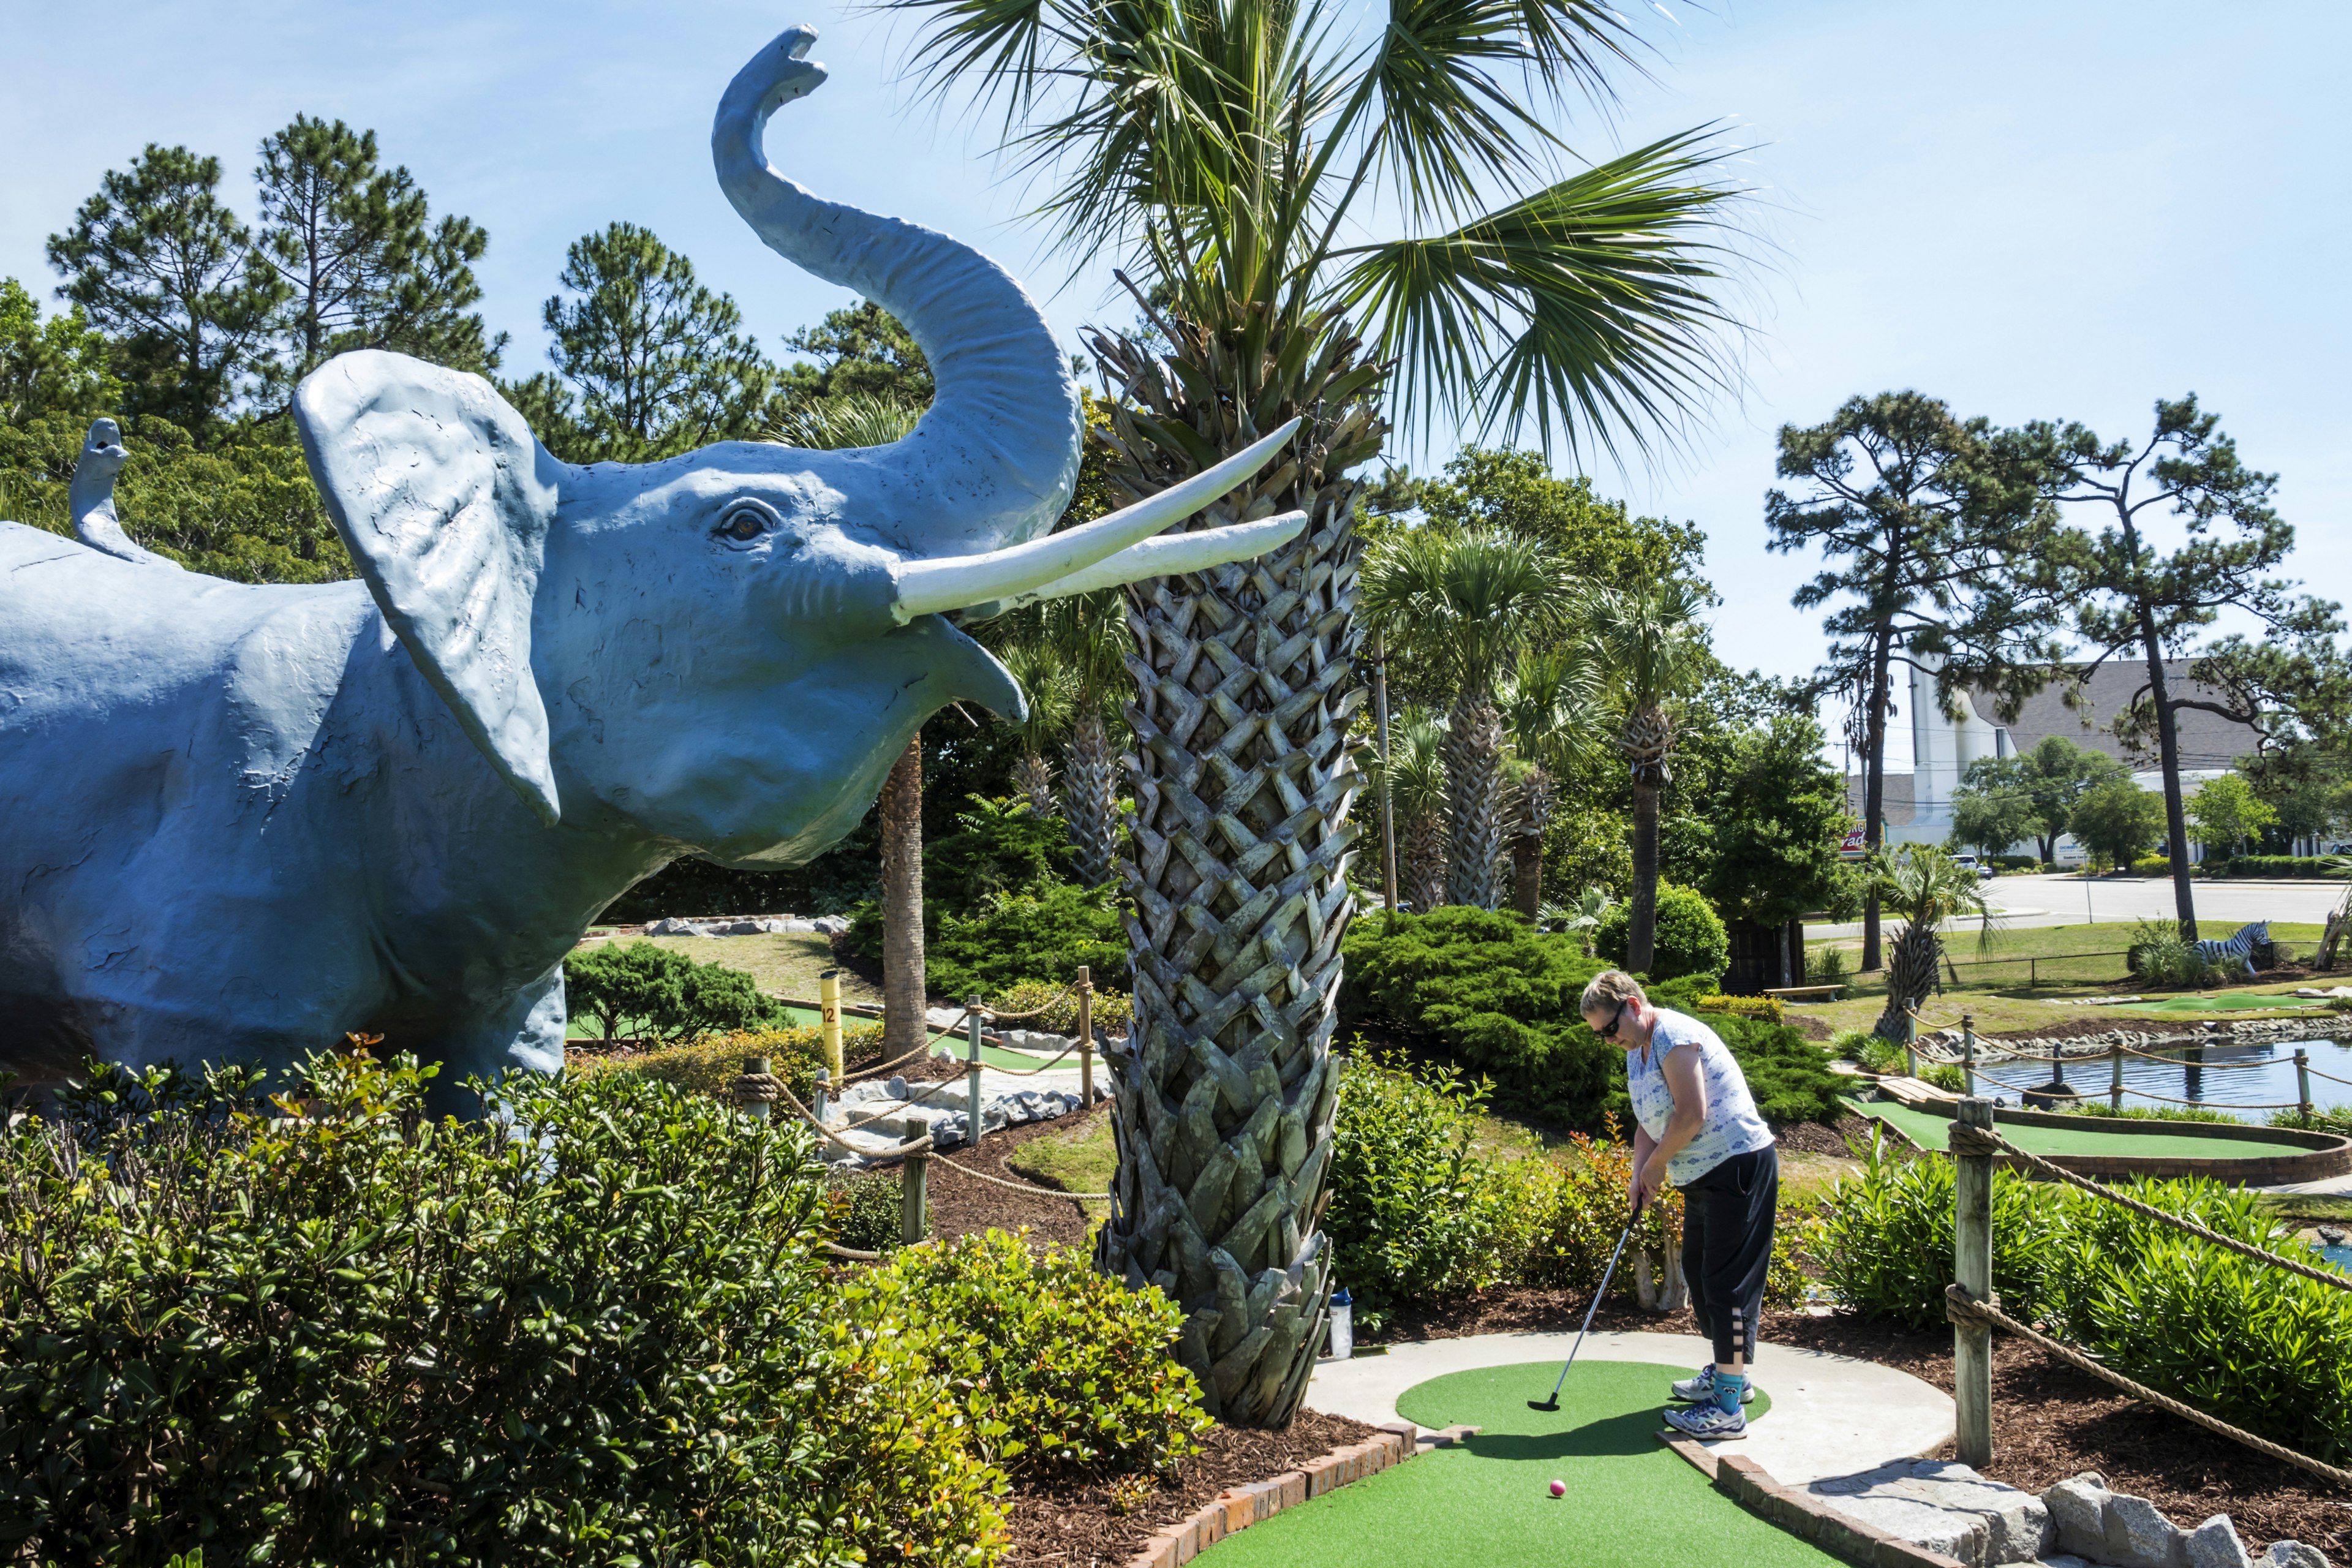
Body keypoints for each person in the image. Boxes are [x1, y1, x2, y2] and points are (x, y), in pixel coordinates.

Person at [1579, 968, 1777, 1438]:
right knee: (1700, 1271)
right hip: (1703, 1175)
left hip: (1738, 1165)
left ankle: (1728, 1410)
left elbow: (1692, 1113)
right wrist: (1638, 1175)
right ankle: (1732, 1376)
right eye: (1599, 1037)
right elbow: (1649, 1122)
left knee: (1726, 1283)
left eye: (1610, 1029)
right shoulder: (1637, 1050)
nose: (1609, 1041)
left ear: (1632, 1006)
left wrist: (1657, 1168)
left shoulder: (1674, 1035)